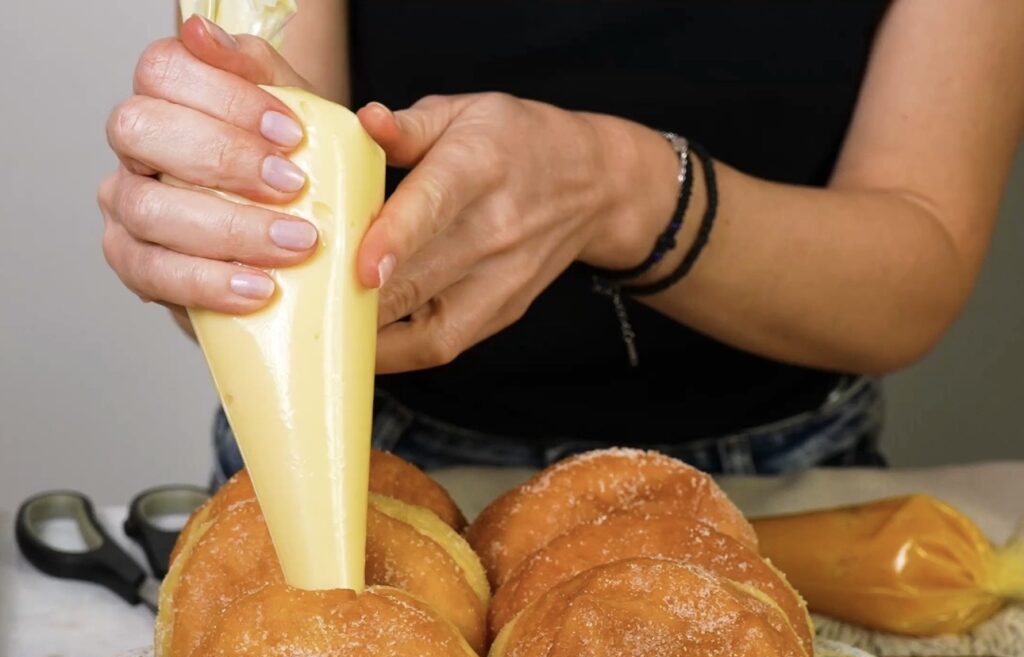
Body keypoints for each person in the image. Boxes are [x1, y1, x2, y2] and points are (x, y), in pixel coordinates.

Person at [99, 2, 1024, 481]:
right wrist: (225, 227)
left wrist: (617, 188)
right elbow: (268, 151)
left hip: (780, 478)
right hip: (353, 446)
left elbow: (916, 269)